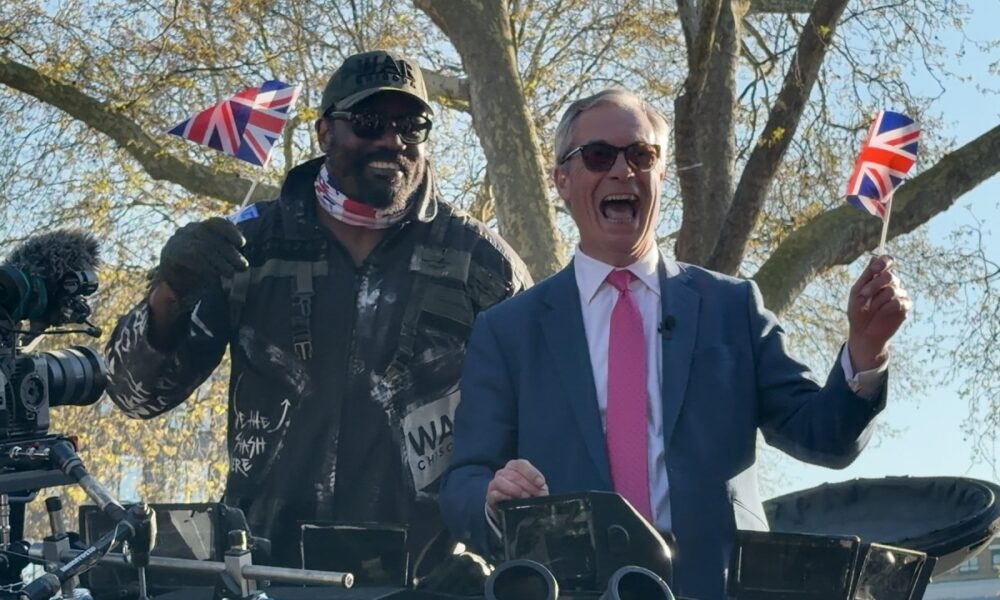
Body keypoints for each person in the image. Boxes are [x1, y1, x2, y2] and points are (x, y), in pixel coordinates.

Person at [438, 88, 909, 600]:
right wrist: (491, 496)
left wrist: (866, 351)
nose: (622, 170)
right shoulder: (509, 330)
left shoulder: (731, 307)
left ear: (661, 176)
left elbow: (824, 437)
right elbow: (464, 482)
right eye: (599, 155)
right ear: (563, 181)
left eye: (641, 155)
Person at [104, 50, 531, 578]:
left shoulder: (481, 261)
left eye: (410, 125)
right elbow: (132, 395)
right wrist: (169, 292)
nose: (391, 140)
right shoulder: (249, 243)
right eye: (370, 122)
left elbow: (534, 418)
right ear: (324, 133)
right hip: (263, 569)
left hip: (425, 577)